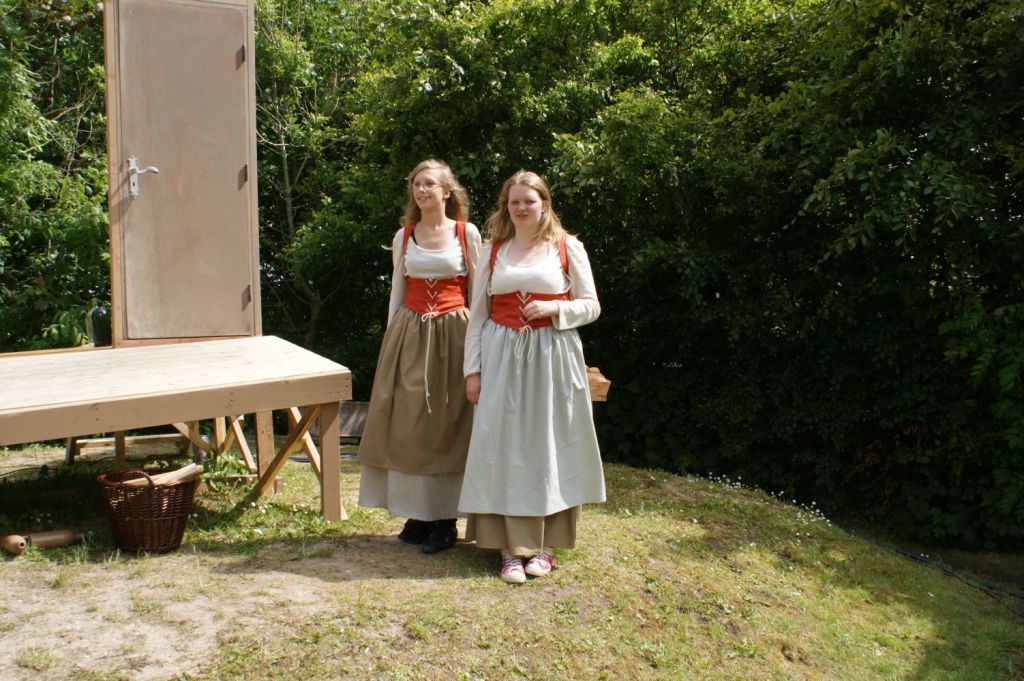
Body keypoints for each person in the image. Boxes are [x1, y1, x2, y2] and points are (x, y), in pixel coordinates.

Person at [460, 170, 605, 583]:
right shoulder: (492, 251)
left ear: (544, 204)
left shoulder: (567, 247)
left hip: (552, 356)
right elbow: (478, 317)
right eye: (515, 201)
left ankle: (544, 546)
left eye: (529, 200)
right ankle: (508, 549)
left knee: (549, 444)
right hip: (501, 357)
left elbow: (591, 305)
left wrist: (555, 308)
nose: (522, 208)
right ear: (506, 207)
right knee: (502, 445)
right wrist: (473, 371)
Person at [358, 159, 482, 554]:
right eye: (416, 184)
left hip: (454, 332)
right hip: (410, 333)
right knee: (410, 424)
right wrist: (390, 339)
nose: (421, 190)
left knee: (447, 423)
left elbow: (479, 292)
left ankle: (446, 520)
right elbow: (397, 287)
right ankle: (418, 513)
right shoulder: (404, 235)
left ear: (447, 191)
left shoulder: (466, 233)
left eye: (429, 184)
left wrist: (481, 345)